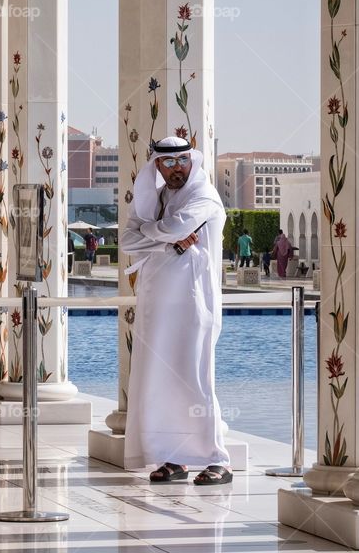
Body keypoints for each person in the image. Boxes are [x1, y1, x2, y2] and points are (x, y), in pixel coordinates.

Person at [121, 136, 232, 486]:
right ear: (156, 165)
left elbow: (175, 228)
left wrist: (155, 233)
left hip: (193, 303)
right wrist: (165, 236)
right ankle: (175, 457)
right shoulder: (156, 199)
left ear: (192, 162)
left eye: (182, 161)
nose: (175, 168)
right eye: (167, 163)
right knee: (159, 380)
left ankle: (217, 459)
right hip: (156, 305)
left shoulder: (203, 195)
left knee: (196, 379)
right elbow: (126, 239)